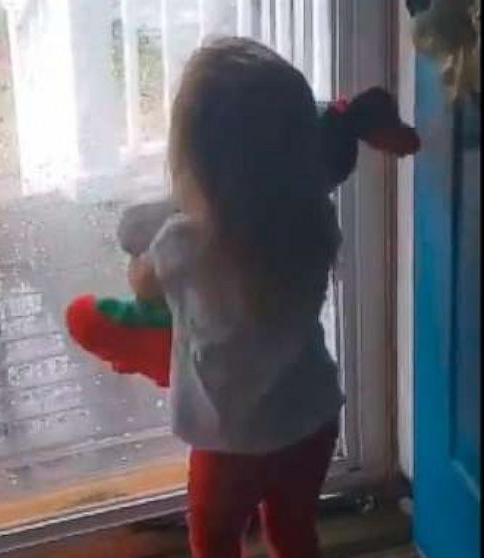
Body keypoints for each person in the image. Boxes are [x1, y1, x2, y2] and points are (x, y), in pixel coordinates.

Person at [126, 37, 418, 558]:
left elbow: (143, 283)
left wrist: (147, 243)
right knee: (293, 528)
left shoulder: (181, 243)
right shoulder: (316, 222)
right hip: (309, 420)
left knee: (215, 540)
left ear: (195, 161)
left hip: (228, 440)